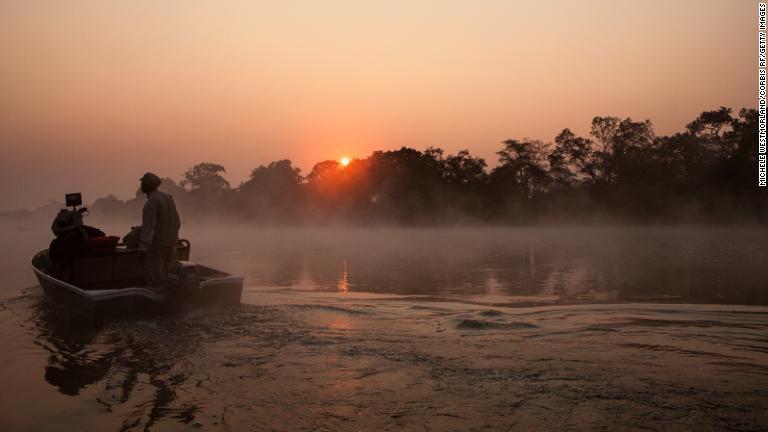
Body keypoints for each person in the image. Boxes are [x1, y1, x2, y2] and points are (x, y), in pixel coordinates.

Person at [137, 172, 181, 289]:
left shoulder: (151, 203)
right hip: (172, 243)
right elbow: (177, 222)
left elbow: (148, 228)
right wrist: (176, 239)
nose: (141, 185)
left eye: (142, 183)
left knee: (157, 279)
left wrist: (143, 248)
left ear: (147, 186)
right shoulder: (168, 197)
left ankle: (159, 299)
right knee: (169, 275)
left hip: (157, 246)